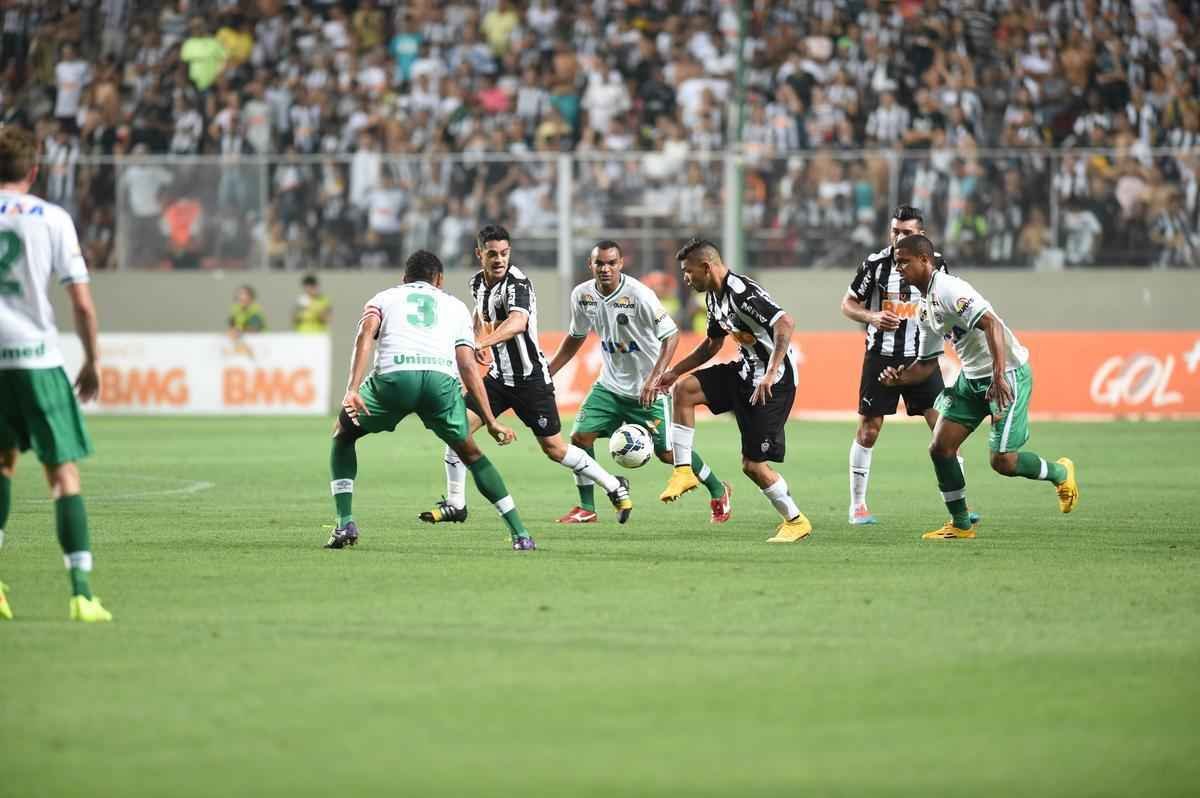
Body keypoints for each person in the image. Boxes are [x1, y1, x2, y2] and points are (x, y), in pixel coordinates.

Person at [420, 225, 632, 526]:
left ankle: (613, 485)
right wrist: (477, 334)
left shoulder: (517, 284)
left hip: (531, 380)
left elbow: (518, 322)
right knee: (456, 431)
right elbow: (480, 313)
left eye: (504, 253)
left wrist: (481, 343)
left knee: (555, 449)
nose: (499, 259)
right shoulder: (477, 283)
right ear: (479, 254)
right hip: (498, 379)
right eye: (492, 254)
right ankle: (456, 503)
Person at [326, 250, 537, 551]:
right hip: (440, 382)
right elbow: (467, 365)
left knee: (343, 434)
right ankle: (520, 534)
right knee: (471, 453)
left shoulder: (383, 298)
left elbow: (365, 333)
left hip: (395, 378)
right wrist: (490, 421)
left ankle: (345, 522)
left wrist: (352, 388)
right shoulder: (455, 306)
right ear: (439, 280)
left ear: (404, 279)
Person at [880, 234, 1079, 540]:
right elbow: (927, 363)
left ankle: (1061, 473)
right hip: (971, 380)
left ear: (925, 260)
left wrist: (998, 375)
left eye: (904, 261)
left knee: (1003, 461)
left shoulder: (950, 289)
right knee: (941, 448)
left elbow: (993, 324)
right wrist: (899, 378)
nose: (899, 267)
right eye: (897, 262)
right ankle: (961, 524)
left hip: (1007, 375)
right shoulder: (922, 308)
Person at [0, 124, 111, 622]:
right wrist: (91, 360)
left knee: (2, 467)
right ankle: (81, 593)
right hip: (37, 359)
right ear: (35, 169)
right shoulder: (52, 218)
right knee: (62, 474)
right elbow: (82, 304)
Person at [547, 240, 732, 524]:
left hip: (649, 391)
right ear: (591, 265)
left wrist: (655, 379)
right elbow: (575, 337)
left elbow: (670, 335)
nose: (605, 268)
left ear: (621, 264)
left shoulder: (639, 295)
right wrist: (549, 371)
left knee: (669, 452)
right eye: (600, 263)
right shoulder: (582, 295)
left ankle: (719, 490)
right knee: (579, 438)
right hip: (608, 386)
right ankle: (587, 507)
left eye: (611, 263)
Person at [654, 238, 812, 543]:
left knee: (753, 465)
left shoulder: (742, 293)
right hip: (743, 373)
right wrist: (674, 371)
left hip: (772, 384)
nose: (685, 278)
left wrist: (769, 372)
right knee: (684, 390)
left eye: (688, 271)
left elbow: (785, 324)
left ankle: (795, 520)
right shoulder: (714, 298)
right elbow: (713, 344)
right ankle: (684, 470)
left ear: (706, 266)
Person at [841, 205, 975, 526]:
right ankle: (857, 506)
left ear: (921, 236)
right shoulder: (874, 264)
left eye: (907, 233)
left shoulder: (937, 264)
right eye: (895, 231)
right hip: (881, 357)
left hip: (923, 359)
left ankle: (960, 508)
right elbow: (847, 305)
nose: (899, 237)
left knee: (946, 431)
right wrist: (872, 316)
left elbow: (947, 305)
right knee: (869, 430)